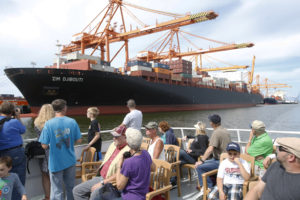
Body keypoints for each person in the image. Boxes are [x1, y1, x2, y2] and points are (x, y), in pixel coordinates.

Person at [39, 99, 82, 200]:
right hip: (70, 160)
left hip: (55, 162)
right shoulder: (72, 121)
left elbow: (44, 145)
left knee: (56, 189)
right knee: (70, 187)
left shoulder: (48, 124)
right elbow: (79, 140)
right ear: (64, 108)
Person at [73, 125, 130, 200]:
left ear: (125, 137)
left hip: (110, 183)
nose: (113, 138)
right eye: (113, 136)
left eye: (116, 137)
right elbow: (106, 161)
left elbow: (122, 174)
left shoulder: (128, 152)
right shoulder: (113, 145)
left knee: (94, 194)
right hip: (100, 176)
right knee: (77, 191)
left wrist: (102, 183)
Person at [195, 114, 231, 196]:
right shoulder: (225, 130)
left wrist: (201, 161)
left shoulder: (216, 133)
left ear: (212, 123)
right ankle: (208, 184)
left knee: (199, 167)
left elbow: (210, 149)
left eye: (210, 121)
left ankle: (208, 188)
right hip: (225, 159)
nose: (210, 123)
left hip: (221, 161)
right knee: (204, 163)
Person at [116, 128, 152, 200]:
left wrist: (119, 166)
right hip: (143, 194)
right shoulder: (146, 153)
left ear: (128, 143)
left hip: (130, 197)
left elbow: (119, 186)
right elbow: (153, 168)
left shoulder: (128, 162)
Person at [0, 101, 26, 200]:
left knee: (3, 180)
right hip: (16, 153)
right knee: (18, 181)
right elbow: (23, 130)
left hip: (2, 155)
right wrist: (18, 117)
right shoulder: (14, 122)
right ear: (12, 112)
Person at [34, 104, 55, 200]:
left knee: (44, 174)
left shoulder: (37, 123)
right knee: (55, 176)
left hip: (42, 152)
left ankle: (47, 197)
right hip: (53, 151)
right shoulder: (54, 123)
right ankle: (55, 196)